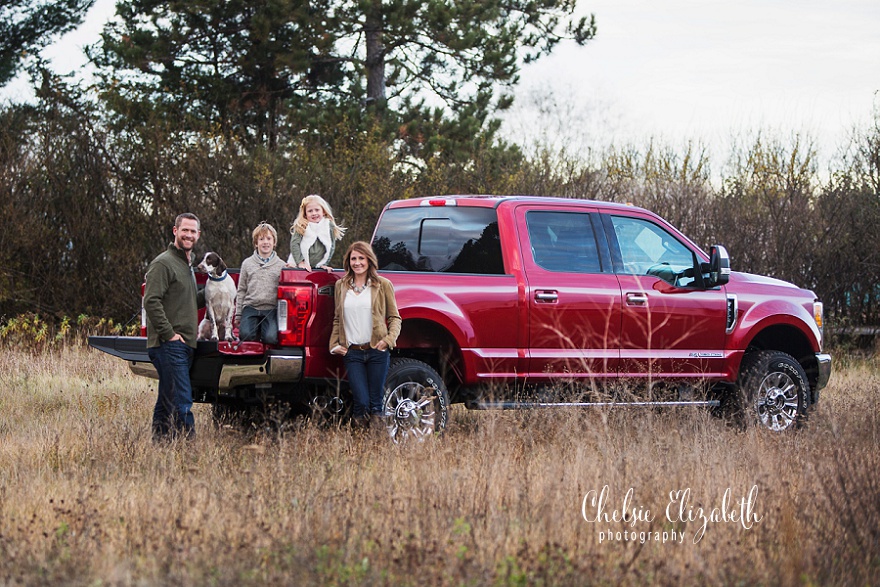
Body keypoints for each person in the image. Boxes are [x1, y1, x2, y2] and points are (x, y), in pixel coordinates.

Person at [144, 212, 205, 441]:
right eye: (185, 230)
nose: (189, 235)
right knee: (182, 399)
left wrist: (214, 293)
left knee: (168, 398)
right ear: (175, 231)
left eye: (193, 231)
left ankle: (160, 444)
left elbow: (188, 302)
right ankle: (187, 451)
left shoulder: (186, 264)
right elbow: (151, 301)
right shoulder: (163, 263)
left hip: (186, 344)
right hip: (168, 344)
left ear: (198, 235)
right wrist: (169, 335)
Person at [329, 241, 401, 426]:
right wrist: (334, 345)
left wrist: (388, 340)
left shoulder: (382, 284)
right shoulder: (341, 285)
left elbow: (395, 317)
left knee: (376, 403)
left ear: (369, 260)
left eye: (361, 258)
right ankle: (359, 444)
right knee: (361, 402)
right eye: (353, 258)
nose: (357, 262)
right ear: (348, 261)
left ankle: (376, 446)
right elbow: (338, 318)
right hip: (353, 353)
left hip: (377, 351)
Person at [235, 222, 286, 344]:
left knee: (270, 338)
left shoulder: (282, 265)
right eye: (261, 239)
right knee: (245, 335)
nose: (265, 242)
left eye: (269, 238)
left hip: (270, 308)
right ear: (256, 243)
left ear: (274, 242)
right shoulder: (247, 264)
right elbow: (241, 290)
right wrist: (238, 314)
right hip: (251, 307)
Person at [288, 194, 346, 272]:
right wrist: (300, 262)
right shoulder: (302, 225)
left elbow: (331, 246)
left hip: (317, 266)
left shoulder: (328, 226)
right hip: (298, 264)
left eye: (317, 210)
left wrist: (324, 264)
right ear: (305, 214)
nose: (314, 213)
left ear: (323, 211)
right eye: (310, 211)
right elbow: (294, 244)